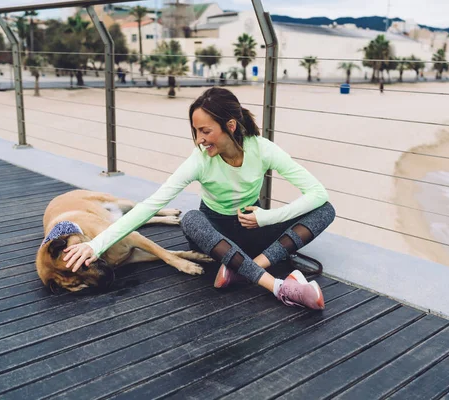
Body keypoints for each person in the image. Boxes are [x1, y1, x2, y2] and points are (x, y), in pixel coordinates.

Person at [63, 87, 335, 310]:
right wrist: (96, 245)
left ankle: (246, 267)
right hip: (214, 237)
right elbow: (151, 205)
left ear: (230, 125)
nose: (200, 140)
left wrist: (268, 217)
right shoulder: (200, 161)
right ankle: (276, 286)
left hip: (254, 228)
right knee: (191, 218)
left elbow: (317, 193)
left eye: (206, 131)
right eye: (195, 131)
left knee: (326, 210)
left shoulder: (263, 150)